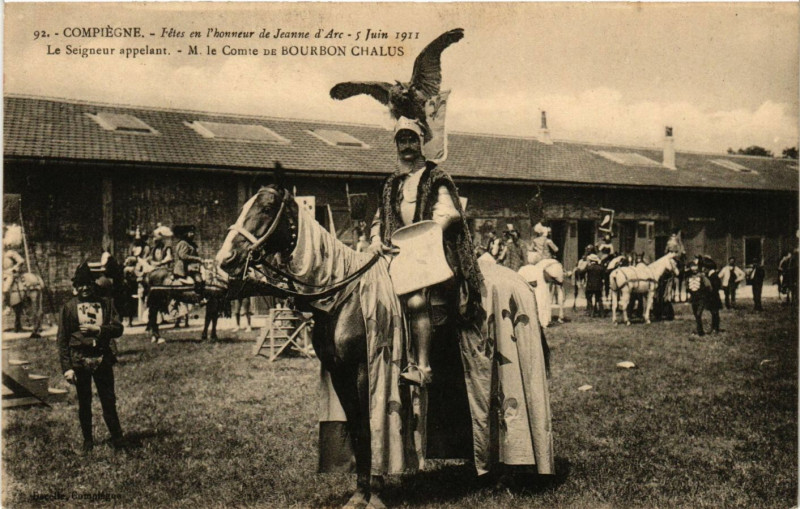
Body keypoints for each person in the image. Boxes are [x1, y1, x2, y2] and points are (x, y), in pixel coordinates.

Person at [369, 116, 482, 386]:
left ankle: (423, 367)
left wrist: (427, 235)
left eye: (412, 139)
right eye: (402, 140)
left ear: (421, 143)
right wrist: (375, 239)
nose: (407, 145)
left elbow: (449, 213)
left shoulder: (436, 176)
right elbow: (379, 219)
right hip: (400, 253)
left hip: (433, 251)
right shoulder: (391, 184)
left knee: (419, 301)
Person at [57, 261, 125, 453]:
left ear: (93, 284)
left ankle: (117, 438)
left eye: (87, 284)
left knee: (108, 400)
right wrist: (67, 368)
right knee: (84, 401)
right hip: (79, 360)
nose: (84, 288)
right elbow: (62, 340)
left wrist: (100, 329)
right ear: (75, 288)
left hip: (102, 358)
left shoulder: (105, 304)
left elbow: (118, 328)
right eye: (80, 285)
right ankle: (88, 441)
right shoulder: (69, 308)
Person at [686, 259, 714, 337]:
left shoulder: (702, 276)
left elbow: (709, 286)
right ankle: (700, 330)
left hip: (701, 298)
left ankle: (700, 332)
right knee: (696, 314)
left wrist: (706, 294)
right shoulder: (688, 277)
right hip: (694, 298)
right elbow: (687, 287)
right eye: (692, 268)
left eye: (695, 268)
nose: (694, 270)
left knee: (698, 314)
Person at [173, 225, 204, 290]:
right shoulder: (183, 243)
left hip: (190, 267)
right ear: (186, 233)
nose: (193, 234)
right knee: (198, 280)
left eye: (193, 232)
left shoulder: (190, 243)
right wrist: (197, 258)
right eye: (190, 232)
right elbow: (183, 256)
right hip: (183, 268)